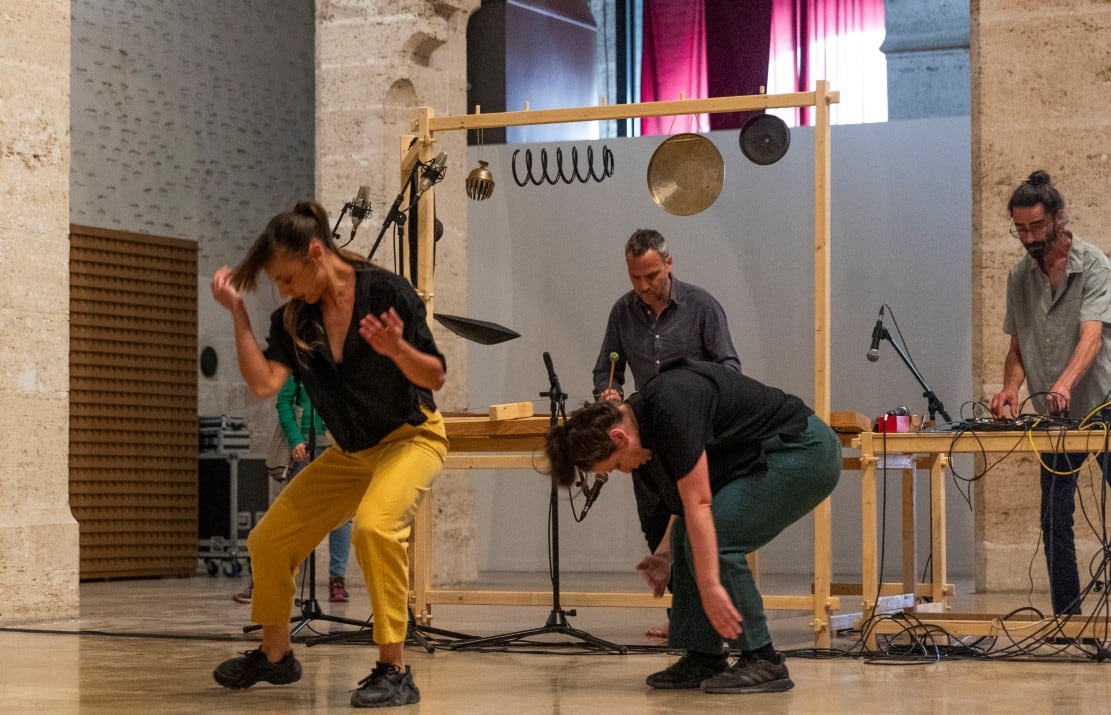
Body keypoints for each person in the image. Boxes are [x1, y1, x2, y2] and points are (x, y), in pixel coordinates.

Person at [210, 199, 448, 708]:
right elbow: (262, 383)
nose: (284, 291)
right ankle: (275, 656)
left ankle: (395, 669)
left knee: (375, 527)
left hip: (412, 437)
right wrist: (239, 315)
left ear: (316, 253)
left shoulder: (385, 292)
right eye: (277, 284)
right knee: (269, 540)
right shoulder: (296, 320)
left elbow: (435, 375)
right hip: (353, 452)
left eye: (288, 278)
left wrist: (397, 351)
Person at [546, 359, 841, 694]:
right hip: (760, 455)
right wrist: (664, 556)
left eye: (615, 465)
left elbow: (700, 502)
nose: (623, 471)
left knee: (718, 539)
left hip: (804, 449)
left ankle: (763, 659)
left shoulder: (672, 406)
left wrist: (712, 585)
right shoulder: (647, 429)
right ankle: (703, 657)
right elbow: (687, 508)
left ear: (618, 436)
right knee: (690, 535)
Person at [592, 228, 741, 638]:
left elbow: (729, 368)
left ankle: (704, 622)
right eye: (635, 278)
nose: (643, 287)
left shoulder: (702, 306)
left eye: (652, 276)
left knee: (693, 522)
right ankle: (684, 617)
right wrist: (610, 393)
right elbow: (606, 367)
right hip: (645, 438)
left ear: (669, 264)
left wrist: (689, 394)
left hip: (693, 435)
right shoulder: (622, 312)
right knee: (656, 523)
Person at [989, 170, 1111, 616]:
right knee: (1054, 519)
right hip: (1056, 417)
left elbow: (1092, 337)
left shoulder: (1094, 265)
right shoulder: (1019, 277)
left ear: (1059, 218)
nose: (1028, 238)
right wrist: (1009, 387)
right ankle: (1067, 618)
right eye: (1020, 230)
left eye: (1036, 228)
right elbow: (1018, 346)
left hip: (1103, 403)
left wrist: (1064, 381)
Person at [232, 375, 354, 605]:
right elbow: (284, 402)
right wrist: (295, 438)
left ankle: (337, 579)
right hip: (304, 448)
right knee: (289, 515)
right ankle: (266, 578)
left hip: (336, 445)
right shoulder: (300, 358)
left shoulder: (343, 358)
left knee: (343, 516)